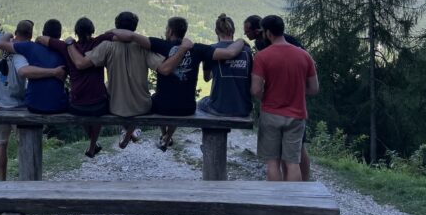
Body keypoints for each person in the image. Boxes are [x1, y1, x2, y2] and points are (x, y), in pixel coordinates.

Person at [116, 16, 245, 150]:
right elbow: (231, 53)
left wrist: (109, 35)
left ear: (170, 31)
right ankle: (166, 136)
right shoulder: (198, 49)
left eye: (167, 29)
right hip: (187, 108)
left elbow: (130, 36)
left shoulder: (160, 45)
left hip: (162, 107)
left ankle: (134, 132)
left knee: (153, 99)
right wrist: (241, 40)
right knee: (178, 98)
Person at [66, 11, 164, 148]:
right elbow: (163, 67)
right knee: (141, 99)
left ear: (117, 26)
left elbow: (81, 64)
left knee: (104, 94)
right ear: (134, 27)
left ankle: (125, 131)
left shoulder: (107, 46)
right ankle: (129, 130)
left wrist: (69, 44)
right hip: (142, 106)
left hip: (115, 107)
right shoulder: (144, 47)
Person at [250, 15, 319, 182]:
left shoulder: (262, 56)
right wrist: (296, 93)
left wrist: (265, 98)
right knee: (293, 163)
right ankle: (293, 203)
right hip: (296, 114)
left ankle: (276, 202)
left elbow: (255, 89)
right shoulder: (304, 56)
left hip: (271, 113)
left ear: (267, 33)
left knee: (273, 163)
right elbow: (314, 88)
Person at [35, 17, 113, 157]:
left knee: (81, 108)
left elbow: (43, 39)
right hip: (99, 104)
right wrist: (109, 32)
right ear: (92, 30)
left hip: (77, 105)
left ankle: (93, 144)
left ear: (76, 32)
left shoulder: (66, 47)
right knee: (98, 111)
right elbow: (116, 34)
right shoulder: (99, 42)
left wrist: (36, 43)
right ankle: (93, 144)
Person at [0, 2, 30, 181]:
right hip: (17, 105)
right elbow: (25, 72)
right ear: (29, 37)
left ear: (16, 32)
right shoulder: (24, 53)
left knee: (1, 144)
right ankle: (27, 178)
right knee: (25, 142)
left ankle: (2, 180)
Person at [0, 18, 68, 114]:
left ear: (43, 32)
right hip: (57, 107)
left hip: (33, 105)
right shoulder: (65, 51)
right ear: (60, 35)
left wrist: (8, 35)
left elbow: (1, 44)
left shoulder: (29, 47)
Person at [198, 13, 253, 118]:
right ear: (233, 30)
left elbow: (206, 78)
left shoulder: (210, 50)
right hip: (244, 108)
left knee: (201, 102)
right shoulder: (247, 50)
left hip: (220, 108)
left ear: (216, 31)